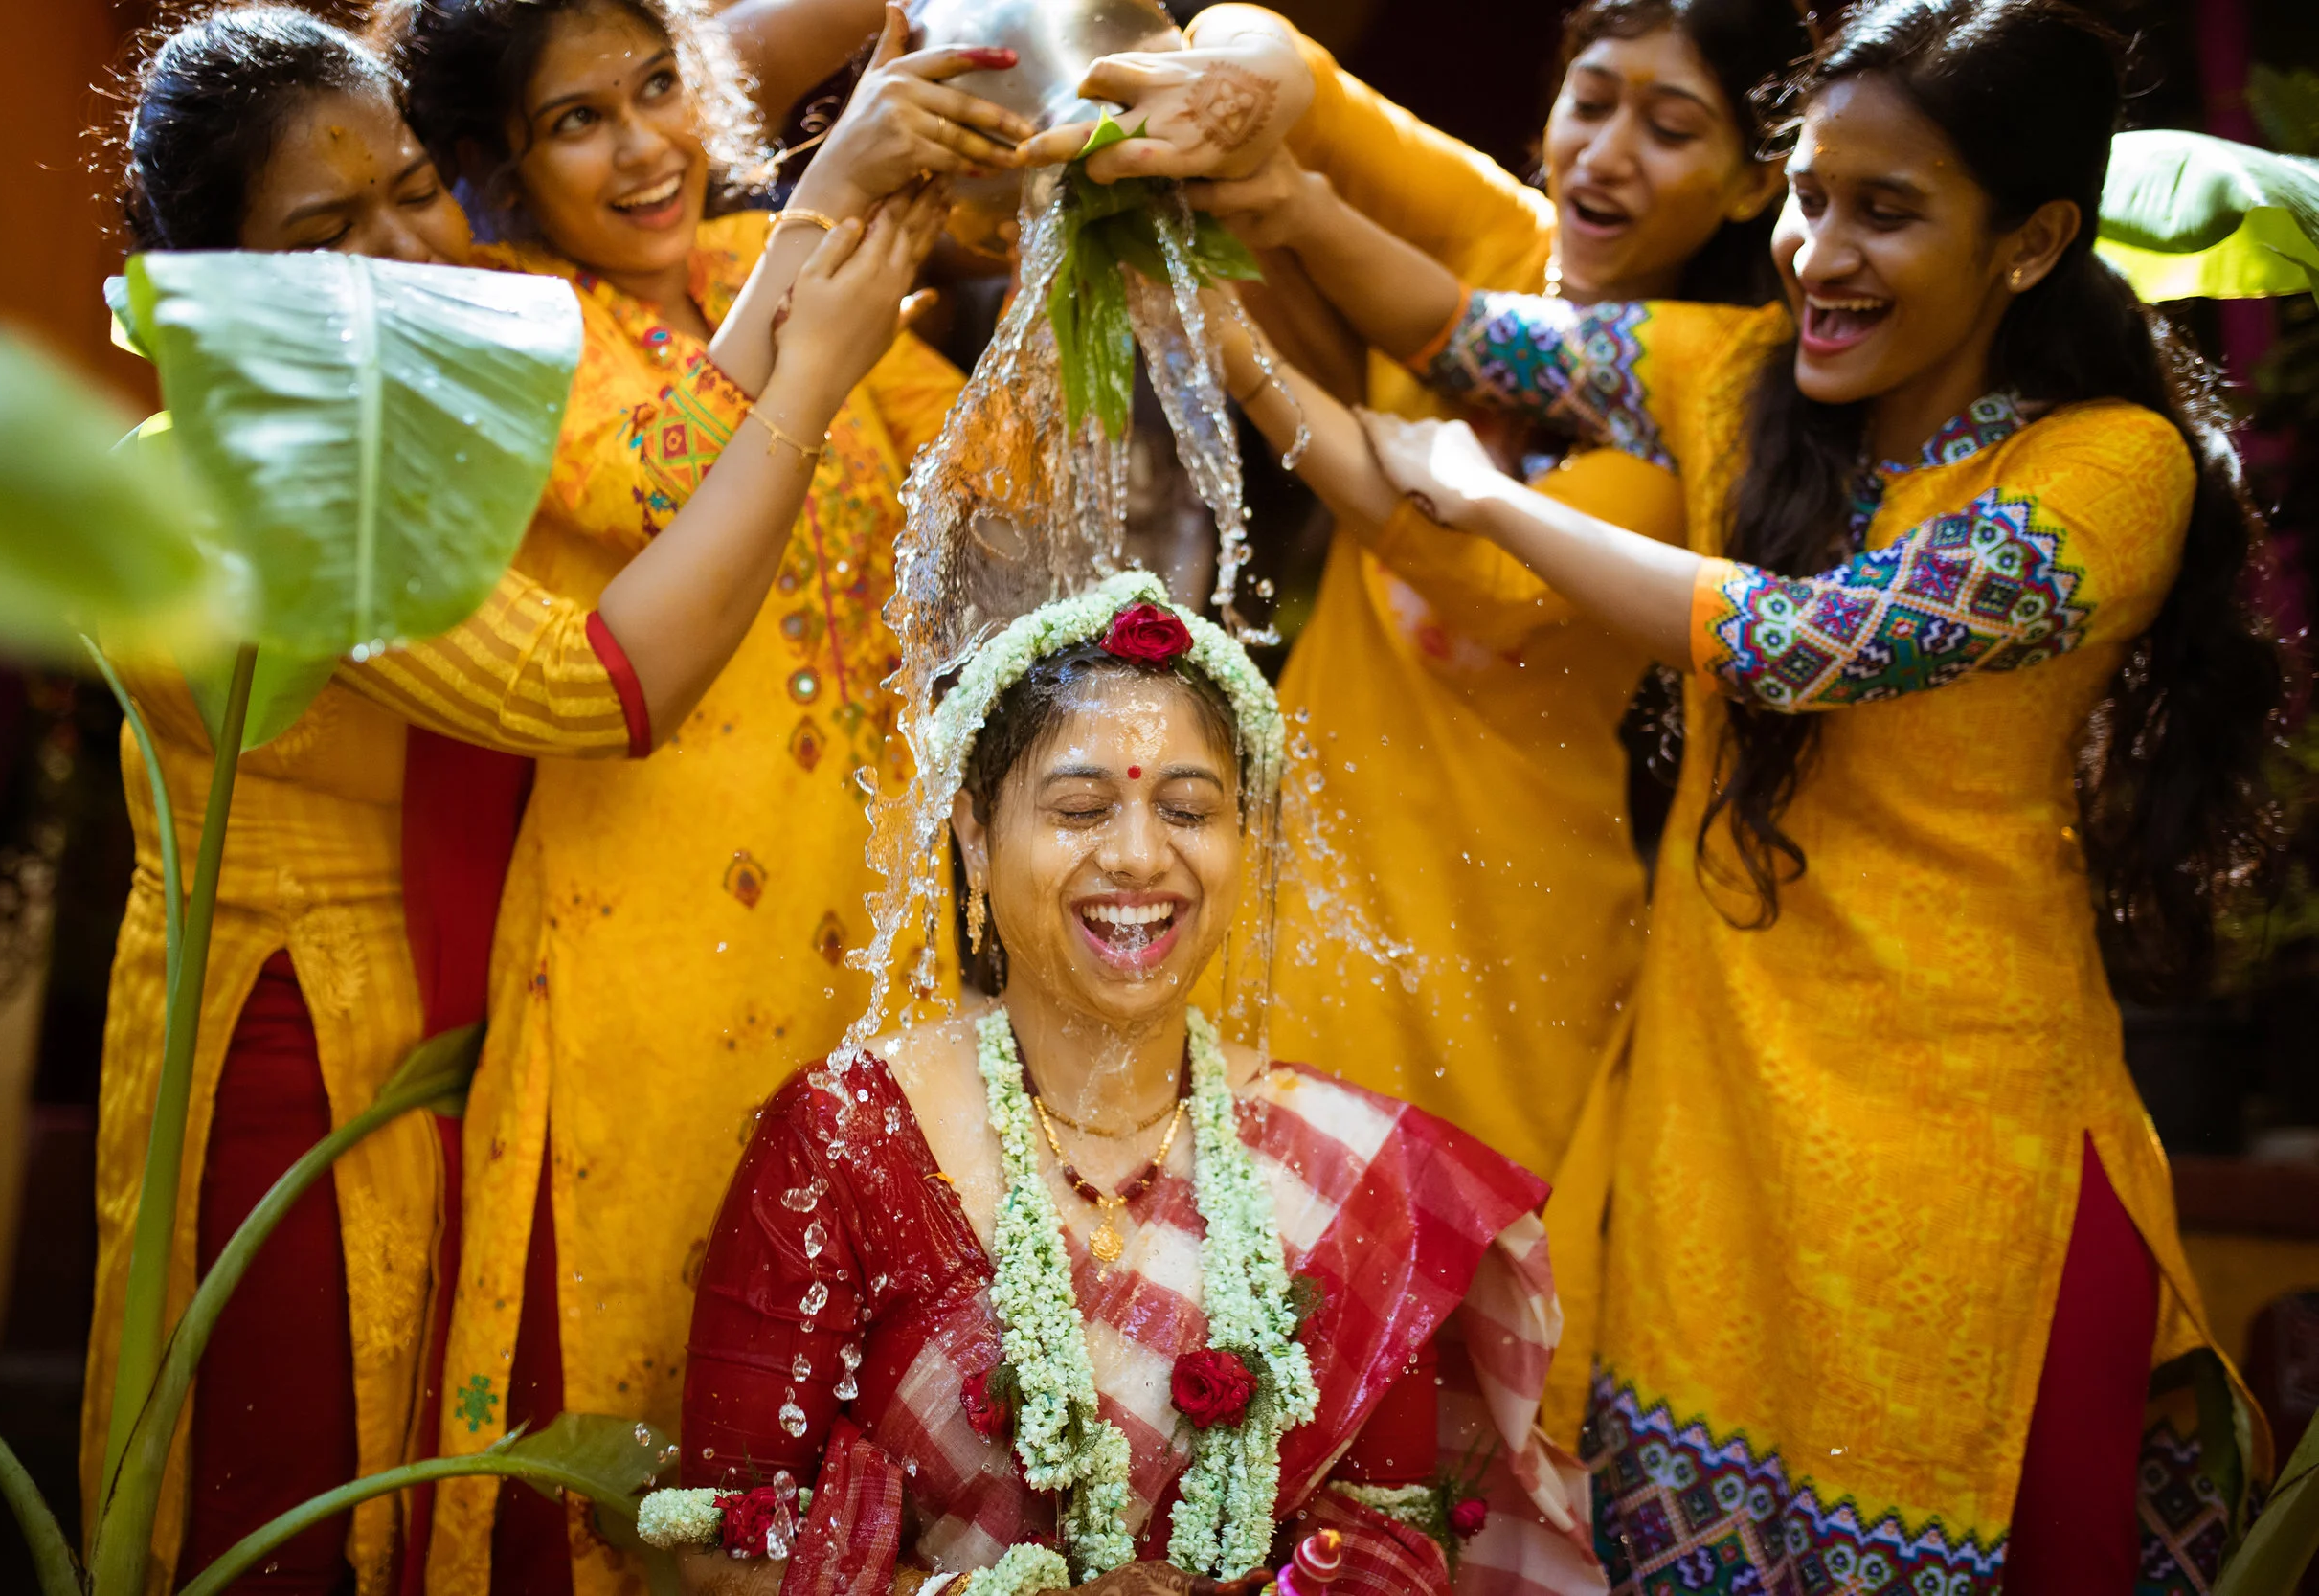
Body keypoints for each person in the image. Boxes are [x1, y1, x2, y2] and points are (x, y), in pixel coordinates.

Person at [1203, 0, 2281, 1587]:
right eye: (1811, 194)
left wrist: (1500, 499)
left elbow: (1803, 643)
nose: (1818, 251)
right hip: (1717, 1127)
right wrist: (1269, 202)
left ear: (2035, 241)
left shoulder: (2111, 468)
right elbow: (1462, 333)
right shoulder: (1735, 375)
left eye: (1887, 212)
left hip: (1969, 1155)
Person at [89, 11, 939, 1593]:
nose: (403, 244)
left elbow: (664, 465)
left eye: (411, 188)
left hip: (464, 987)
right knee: (298, 1479)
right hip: (302, 1046)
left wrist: (814, 256)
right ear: (211, 272)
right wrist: (810, 377)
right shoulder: (229, 469)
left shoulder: (404, 390)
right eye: (322, 231)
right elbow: (593, 685)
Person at [374, 2, 1033, 1588]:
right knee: (645, 1381)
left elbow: (995, 476)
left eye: (658, 84)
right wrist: (829, 223)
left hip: (855, 929)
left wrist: (1048, 253)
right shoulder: (512, 312)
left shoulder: (760, 269)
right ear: (494, 167)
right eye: (578, 119)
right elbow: (644, 477)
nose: (647, 141)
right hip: (645, 943)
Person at [645, 573, 1604, 1596]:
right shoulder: (842, 1136)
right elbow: (720, 1552)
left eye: (1188, 808)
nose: (1141, 855)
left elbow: (1393, 1546)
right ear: (973, 832)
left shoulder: (1342, 1166)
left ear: (1245, 836)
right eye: (1080, 807)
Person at [1017, 0, 1799, 1180]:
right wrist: (1229, 85)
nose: (1606, 150)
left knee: (1458, 1288)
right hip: (1314, 841)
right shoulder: (1498, 242)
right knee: (1232, 1253)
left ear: (1753, 185)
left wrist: (1228, 340)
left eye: (1670, 127)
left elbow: (1477, 575)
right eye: (1589, 102)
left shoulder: (1720, 396)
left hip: (1506, 919)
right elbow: (1300, 70)